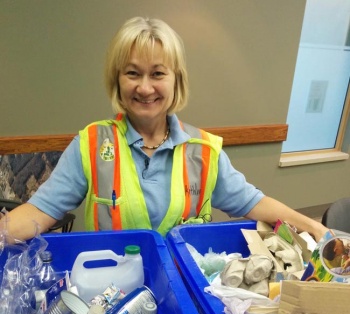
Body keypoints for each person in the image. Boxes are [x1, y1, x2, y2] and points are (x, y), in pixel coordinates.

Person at [0, 17, 327, 242]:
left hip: (185, 293)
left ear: (176, 80)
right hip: (112, 297)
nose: (144, 88)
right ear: (117, 79)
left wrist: (314, 227)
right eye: (132, 73)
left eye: (157, 73)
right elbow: (40, 211)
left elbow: (254, 203)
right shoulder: (91, 143)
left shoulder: (204, 150)